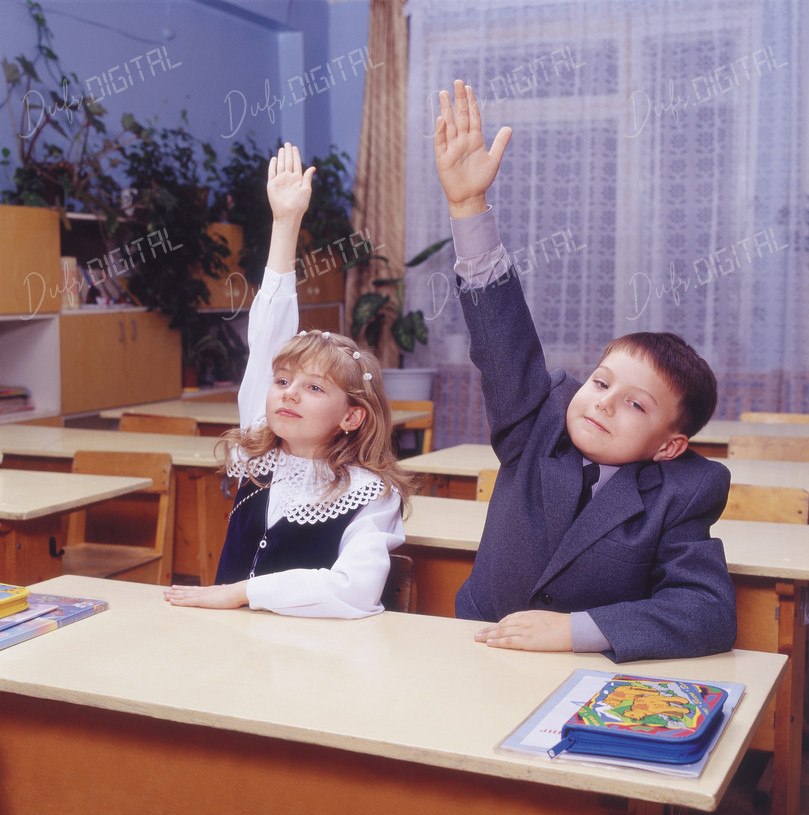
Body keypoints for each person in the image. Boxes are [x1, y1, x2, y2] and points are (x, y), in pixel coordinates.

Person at [434, 80, 736, 662]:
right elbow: (503, 342)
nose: (602, 402)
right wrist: (469, 207)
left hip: (585, 678)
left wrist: (575, 631)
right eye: (602, 382)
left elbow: (707, 613)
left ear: (670, 446)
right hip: (475, 652)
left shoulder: (687, 489)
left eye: (636, 404)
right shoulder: (540, 423)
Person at [164, 143, 415, 618]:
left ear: (352, 415)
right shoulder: (258, 453)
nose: (289, 393)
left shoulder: (371, 492)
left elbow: (355, 590)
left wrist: (241, 593)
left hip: (313, 665)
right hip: (232, 649)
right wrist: (285, 223)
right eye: (282, 382)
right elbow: (268, 336)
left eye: (315, 387)